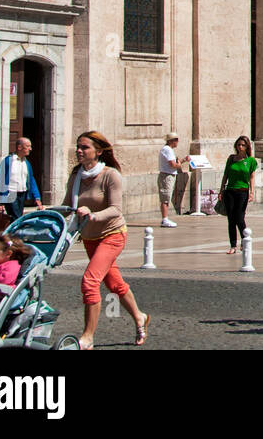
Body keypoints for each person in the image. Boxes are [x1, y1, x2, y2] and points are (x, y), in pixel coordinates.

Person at [67, 131, 150, 349]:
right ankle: (139, 316)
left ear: (98, 151)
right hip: (89, 237)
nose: (79, 150)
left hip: (113, 234)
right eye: (78, 146)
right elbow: (67, 205)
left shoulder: (110, 175)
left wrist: (92, 215)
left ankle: (88, 337)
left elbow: (115, 209)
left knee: (90, 281)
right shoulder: (76, 175)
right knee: (114, 284)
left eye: (84, 147)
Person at [219, 136, 258, 255]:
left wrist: (252, 192)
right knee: (231, 219)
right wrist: (221, 190)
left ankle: (244, 241)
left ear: (247, 147)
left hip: (242, 191)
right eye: (238, 145)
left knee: (239, 218)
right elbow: (226, 174)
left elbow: (251, 177)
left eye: (243, 145)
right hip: (230, 190)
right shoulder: (231, 159)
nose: (240, 147)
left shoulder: (251, 161)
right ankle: (232, 245)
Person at [0, 137, 41, 223]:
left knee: (16, 218)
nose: (30, 149)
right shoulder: (8, 161)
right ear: (19, 147)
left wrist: (37, 197)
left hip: (22, 194)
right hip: (10, 194)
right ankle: (17, 236)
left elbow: (31, 180)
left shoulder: (26, 163)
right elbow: (0, 180)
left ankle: (12, 235)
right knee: (16, 218)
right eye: (28, 146)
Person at [158, 133, 187, 228]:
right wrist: (179, 164)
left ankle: (165, 218)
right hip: (167, 176)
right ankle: (164, 219)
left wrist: (182, 161)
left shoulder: (168, 150)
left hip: (169, 175)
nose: (178, 142)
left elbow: (175, 164)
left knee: (167, 197)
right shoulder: (167, 150)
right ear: (171, 141)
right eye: (176, 140)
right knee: (165, 198)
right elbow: (173, 165)